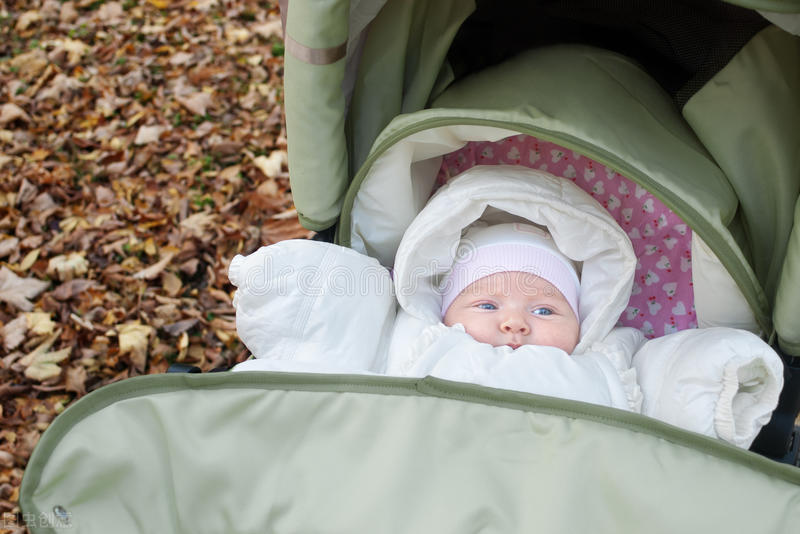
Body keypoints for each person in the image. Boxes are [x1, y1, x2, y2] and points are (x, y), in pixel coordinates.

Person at [230, 165, 783, 449]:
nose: (515, 321)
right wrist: (293, 285)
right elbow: (339, 334)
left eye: (545, 311)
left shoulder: (612, 357)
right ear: (444, 309)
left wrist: (729, 373)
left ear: (585, 318)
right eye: (487, 302)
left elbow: (673, 379)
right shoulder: (412, 336)